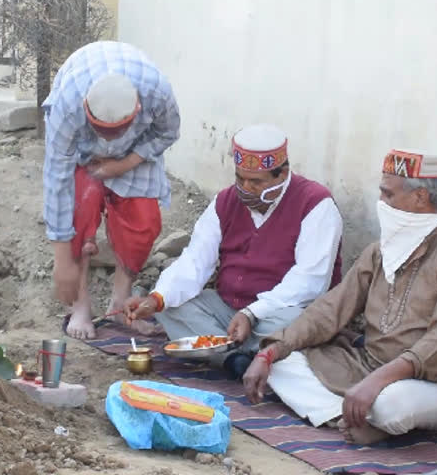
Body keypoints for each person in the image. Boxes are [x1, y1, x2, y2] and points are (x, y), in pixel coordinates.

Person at [242, 148, 437, 444]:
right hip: (369, 366)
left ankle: (369, 416)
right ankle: (349, 417)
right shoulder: (380, 250)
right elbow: (331, 309)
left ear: (420, 198)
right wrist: (269, 351)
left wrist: (378, 382)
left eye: (388, 195)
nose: (381, 203)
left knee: (391, 404)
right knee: (281, 362)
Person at [123, 124, 343, 379]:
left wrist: (252, 313)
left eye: (256, 182)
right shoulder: (226, 201)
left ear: (282, 174)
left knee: (295, 324)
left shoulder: (316, 204)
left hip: (279, 312)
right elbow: (196, 259)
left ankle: (231, 353)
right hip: (229, 307)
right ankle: (239, 359)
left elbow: (310, 281)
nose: (245, 188)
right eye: (240, 178)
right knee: (172, 307)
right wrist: (156, 299)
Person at [43, 41, 180, 340]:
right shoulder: (67, 107)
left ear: (138, 110)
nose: (106, 140)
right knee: (80, 206)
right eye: (100, 130)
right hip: (82, 151)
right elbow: (57, 181)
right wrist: (62, 261)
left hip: (136, 151)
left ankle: (120, 303)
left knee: (143, 222)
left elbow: (169, 131)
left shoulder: (157, 93)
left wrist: (125, 163)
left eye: (115, 131)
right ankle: (81, 306)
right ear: (85, 109)